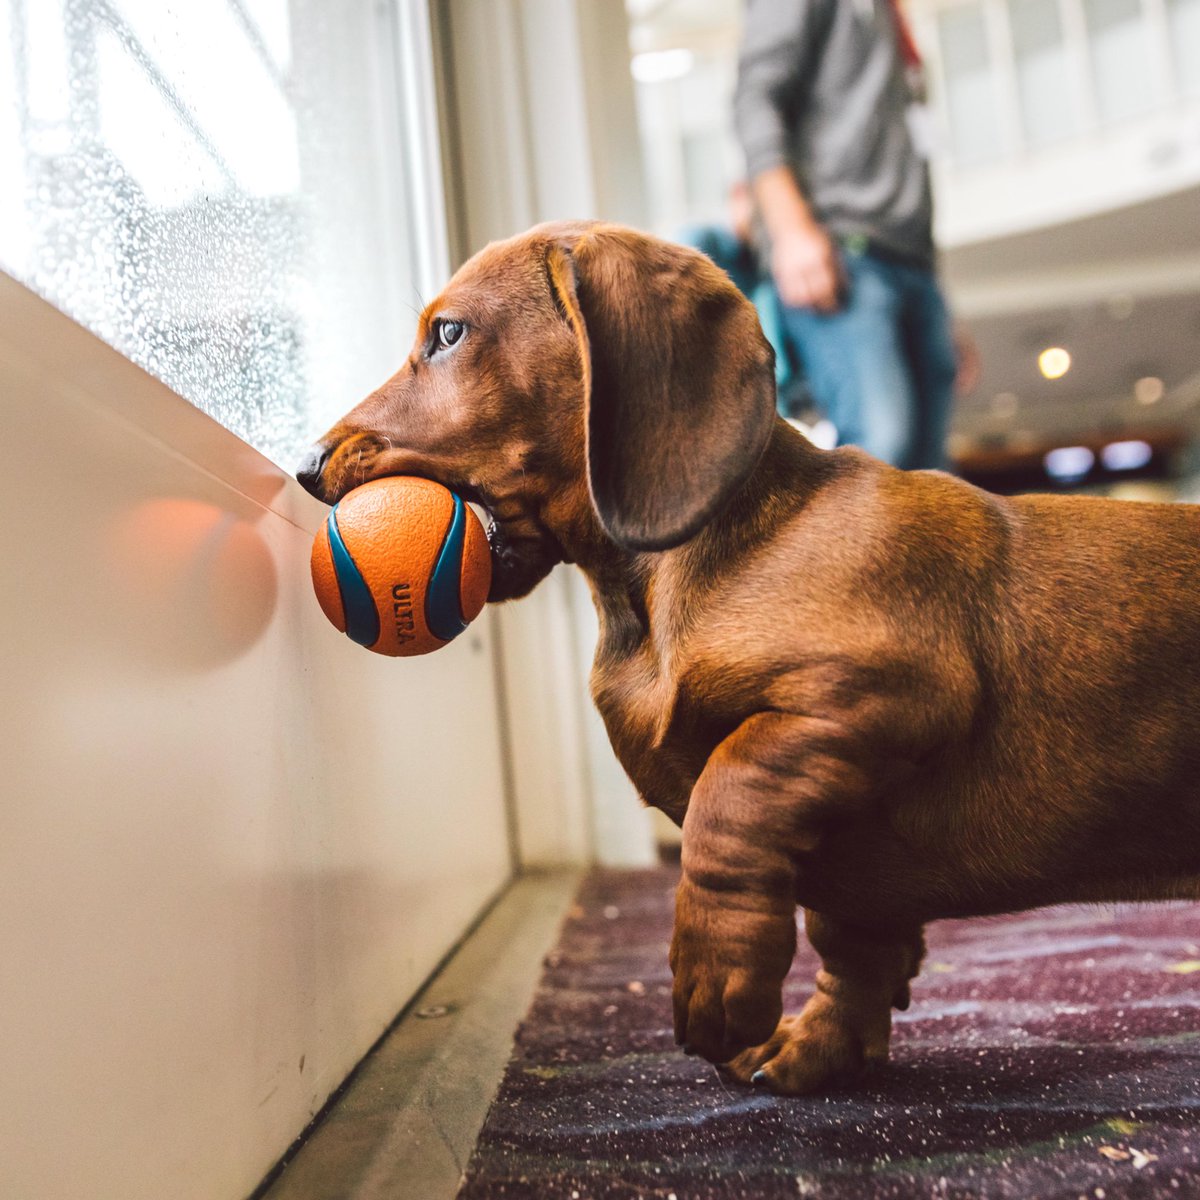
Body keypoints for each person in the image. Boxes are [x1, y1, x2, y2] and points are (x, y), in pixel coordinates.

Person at [734, 0, 965, 470]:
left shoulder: (888, 15)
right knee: (881, 447)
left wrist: (942, 302)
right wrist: (790, 230)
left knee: (932, 470)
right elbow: (755, 98)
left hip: (910, 261)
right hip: (842, 251)